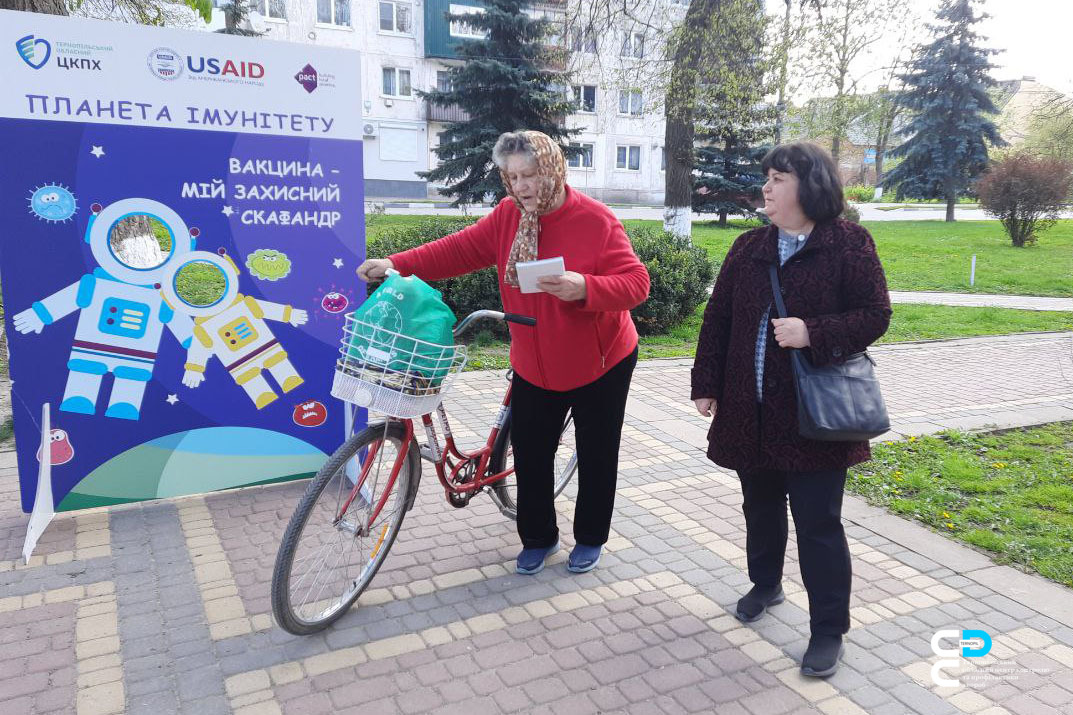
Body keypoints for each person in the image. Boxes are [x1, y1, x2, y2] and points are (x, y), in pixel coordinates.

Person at [357, 130, 650, 575]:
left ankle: (591, 537)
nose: (521, 186)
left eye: (529, 175)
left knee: (596, 451)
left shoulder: (596, 220)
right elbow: (458, 249)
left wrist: (584, 287)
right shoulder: (508, 216)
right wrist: (397, 263)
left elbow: (636, 283)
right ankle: (538, 538)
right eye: (512, 177)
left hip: (601, 361)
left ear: (551, 170)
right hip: (534, 357)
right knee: (532, 452)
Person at [690, 142, 891, 678]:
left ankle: (828, 630)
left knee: (818, 524)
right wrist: (705, 382)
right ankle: (766, 583)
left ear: (810, 184)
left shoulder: (848, 244)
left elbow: (876, 314)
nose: (767, 187)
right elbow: (718, 319)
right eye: (767, 178)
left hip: (812, 419)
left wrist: (813, 333)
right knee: (759, 506)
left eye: (778, 178)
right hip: (749, 411)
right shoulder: (748, 246)